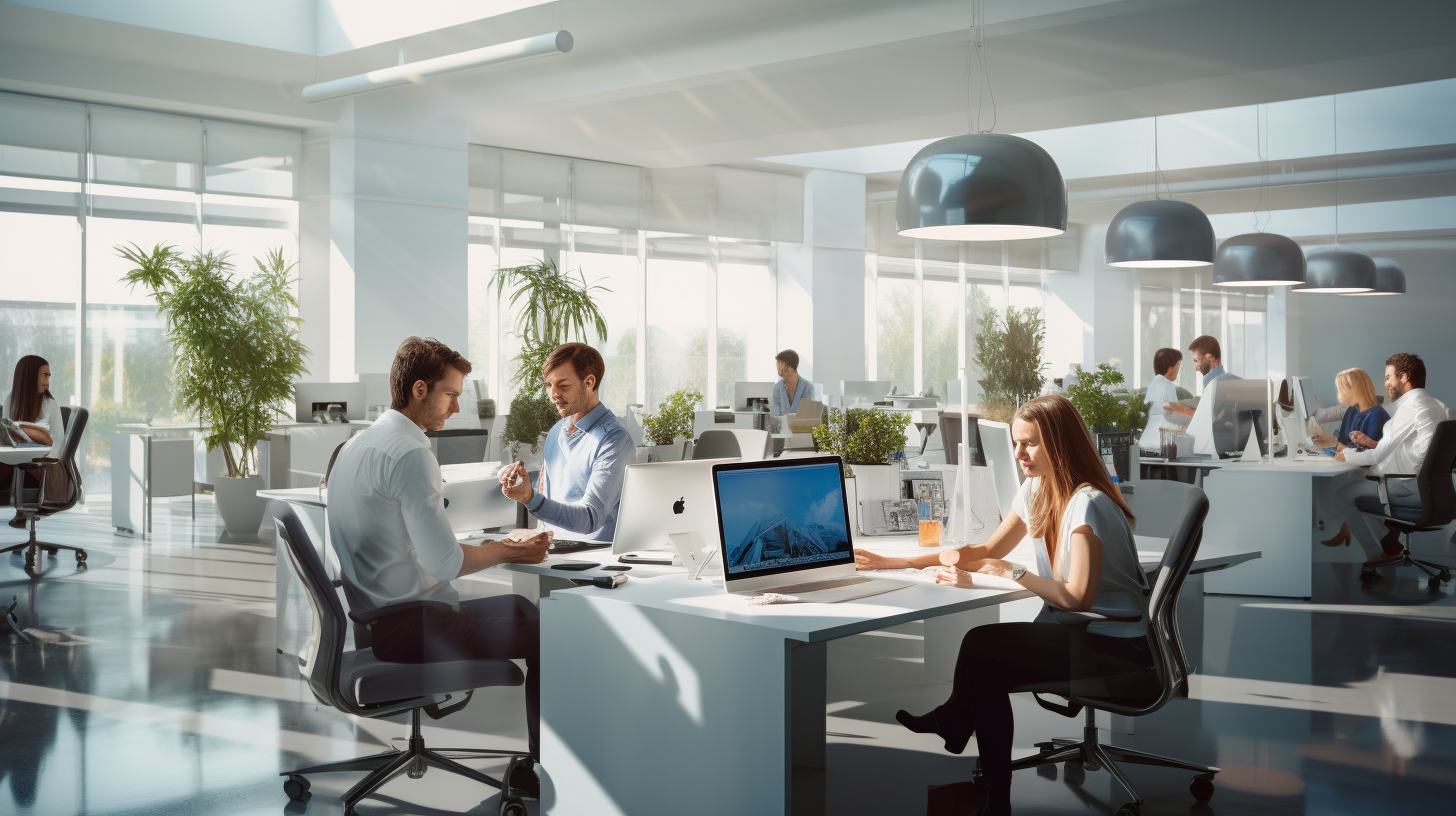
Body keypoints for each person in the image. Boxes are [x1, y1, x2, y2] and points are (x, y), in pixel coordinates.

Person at [852, 395, 1152, 816]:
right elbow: (984, 548)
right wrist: (897, 561)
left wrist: (1011, 572)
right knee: (983, 659)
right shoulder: (1038, 490)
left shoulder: (1088, 504)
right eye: (1016, 443)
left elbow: (1077, 596)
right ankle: (991, 789)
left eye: (1029, 443)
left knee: (982, 648)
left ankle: (962, 737)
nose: (1019, 454)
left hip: (1115, 647)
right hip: (1079, 631)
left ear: (1059, 444)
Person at [327, 337, 552, 784]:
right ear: (419, 390)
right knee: (556, 637)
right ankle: (543, 772)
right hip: (416, 626)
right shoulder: (411, 453)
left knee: (524, 610)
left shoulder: (357, 445)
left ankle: (542, 761)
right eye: (450, 395)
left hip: (378, 617)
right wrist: (512, 549)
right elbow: (446, 563)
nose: (455, 408)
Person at [499, 342, 633, 543]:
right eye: (548, 385)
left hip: (596, 557)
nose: (553, 395)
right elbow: (550, 500)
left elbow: (590, 518)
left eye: (563, 386)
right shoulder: (556, 432)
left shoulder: (614, 439)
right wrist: (521, 486)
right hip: (554, 548)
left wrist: (530, 498)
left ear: (589, 383)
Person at [1331, 353, 1449, 562]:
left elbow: (1376, 457)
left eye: (1388, 378)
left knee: (1342, 496)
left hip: (1403, 486)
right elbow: (1420, 448)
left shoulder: (1408, 409)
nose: (1385, 384)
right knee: (1359, 484)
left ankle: (1375, 553)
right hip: (1431, 487)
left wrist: (1344, 453)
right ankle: (1388, 541)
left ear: (1403, 377)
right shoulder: (1438, 406)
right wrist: (1373, 443)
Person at [2, 355, 68, 528]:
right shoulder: (11, 400)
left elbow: (58, 443)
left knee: (20, 468)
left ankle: (22, 510)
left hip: (40, 467)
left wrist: (40, 461)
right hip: (16, 460)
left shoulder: (50, 404)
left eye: (49, 375)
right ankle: (21, 510)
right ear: (29, 376)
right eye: (44, 375)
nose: (47, 380)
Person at [1164, 335, 1234, 419]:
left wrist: (1189, 412)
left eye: (1196, 361)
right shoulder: (1219, 381)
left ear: (1209, 357)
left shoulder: (1218, 385)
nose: (1196, 368)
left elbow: (1215, 417)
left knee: (1168, 410)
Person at [1137, 347, 1189, 452]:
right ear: (1170, 368)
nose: (1178, 371)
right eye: (1178, 366)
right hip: (1162, 438)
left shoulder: (1153, 384)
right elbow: (1174, 412)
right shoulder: (1168, 385)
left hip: (1147, 438)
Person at [769, 349, 812, 416]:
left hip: (801, 426)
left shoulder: (807, 387)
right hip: (783, 426)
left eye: (779, 363)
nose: (777, 367)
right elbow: (775, 415)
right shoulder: (777, 387)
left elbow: (807, 414)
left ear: (790, 366)